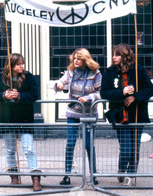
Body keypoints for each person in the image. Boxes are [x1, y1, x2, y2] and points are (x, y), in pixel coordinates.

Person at [101, 43, 153, 186]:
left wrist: (135, 96)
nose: (114, 57)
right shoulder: (109, 72)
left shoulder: (138, 70)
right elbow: (104, 92)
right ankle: (122, 169)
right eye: (113, 54)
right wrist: (121, 93)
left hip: (137, 115)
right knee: (126, 149)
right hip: (120, 116)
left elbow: (149, 88)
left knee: (135, 148)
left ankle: (132, 175)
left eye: (117, 54)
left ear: (125, 56)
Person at [0, 53, 42, 191]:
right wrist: (4, 95)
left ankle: (35, 177)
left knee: (28, 148)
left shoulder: (29, 77)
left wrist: (19, 95)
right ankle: (14, 175)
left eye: (22, 64)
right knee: (10, 149)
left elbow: (34, 94)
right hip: (7, 117)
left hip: (24, 117)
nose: (22, 66)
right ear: (11, 65)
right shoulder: (0, 78)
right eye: (19, 64)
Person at [54, 48, 101, 185]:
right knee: (70, 143)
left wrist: (89, 97)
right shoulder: (70, 72)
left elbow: (100, 92)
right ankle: (67, 175)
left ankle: (93, 175)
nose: (75, 61)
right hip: (73, 112)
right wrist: (59, 85)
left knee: (88, 145)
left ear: (85, 60)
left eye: (78, 59)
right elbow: (61, 84)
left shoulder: (96, 74)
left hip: (89, 114)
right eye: (74, 58)